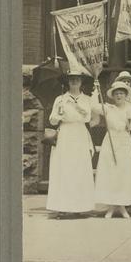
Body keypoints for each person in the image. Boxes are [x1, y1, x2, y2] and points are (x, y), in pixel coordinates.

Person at [46, 71, 95, 218]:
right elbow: (52, 120)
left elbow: (88, 118)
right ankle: (62, 206)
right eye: (71, 79)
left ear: (81, 82)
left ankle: (79, 206)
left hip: (79, 134)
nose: (74, 82)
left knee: (79, 168)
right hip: (65, 135)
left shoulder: (86, 99)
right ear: (67, 82)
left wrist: (80, 109)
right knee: (64, 168)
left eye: (77, 79)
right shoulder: (60, 99)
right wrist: (58, 115)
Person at [93, 81, 131, 218]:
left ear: (126, 95)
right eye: (116, 93)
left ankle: (121, 206)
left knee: (123, 175)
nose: (119, 96)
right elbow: (93, 107)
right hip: (110, 142)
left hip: (125, 143)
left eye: (121, 93)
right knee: (111, 175)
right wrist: (96, 90)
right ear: (112, 96)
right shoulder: (108, 108)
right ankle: (111, 206)